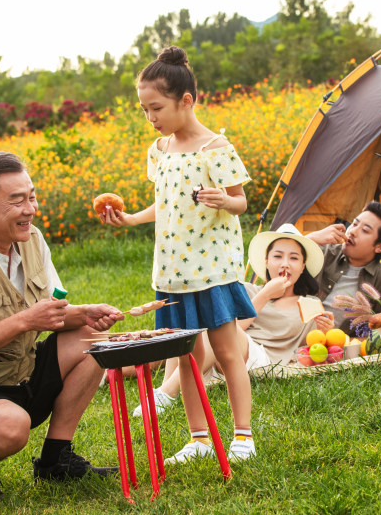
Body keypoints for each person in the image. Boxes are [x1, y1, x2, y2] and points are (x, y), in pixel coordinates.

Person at [0, 152, 126, 502]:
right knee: (13, 428)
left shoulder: (33, 240)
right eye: (17, 200)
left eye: (31, 196)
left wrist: (85, 314)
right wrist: (25, 320)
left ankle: (55, 459)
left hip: (20, 376)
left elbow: (52, 313)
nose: (31, 208)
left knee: (93, 338)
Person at [99, 46, 259, 464]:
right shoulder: (160, 151)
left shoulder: (215, 148)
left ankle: (243, 436)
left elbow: (241, 202)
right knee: (186, 357)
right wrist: (131, 219)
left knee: (225, 352)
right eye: (144, 110)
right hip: (172, 272)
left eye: (156, 108)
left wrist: (224, 199)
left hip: (213, 271)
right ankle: (199, 440)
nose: (150, 117)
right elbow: (166, 203)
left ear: (185, 100)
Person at [127, 223, 333, 418]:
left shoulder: (309, 304)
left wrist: (325, 331)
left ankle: (166, 394)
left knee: (220, 329)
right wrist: (264, 296)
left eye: (294, 258)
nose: (285, 263)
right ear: (266, 261)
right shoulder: (246, 290)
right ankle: (158, 387)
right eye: (277, 256)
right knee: (191, 323)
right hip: (226, 353)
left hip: (261, 359)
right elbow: (233, 328)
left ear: (303, 265)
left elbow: (312, 350)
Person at [305, 201, 381, 335]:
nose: (352, 231)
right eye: (354, 224)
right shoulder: (322, 252)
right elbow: (273, 263)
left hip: (337, 351)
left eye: (365, 230)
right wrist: (310, 239)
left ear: (380, 246)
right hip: (290, 340)